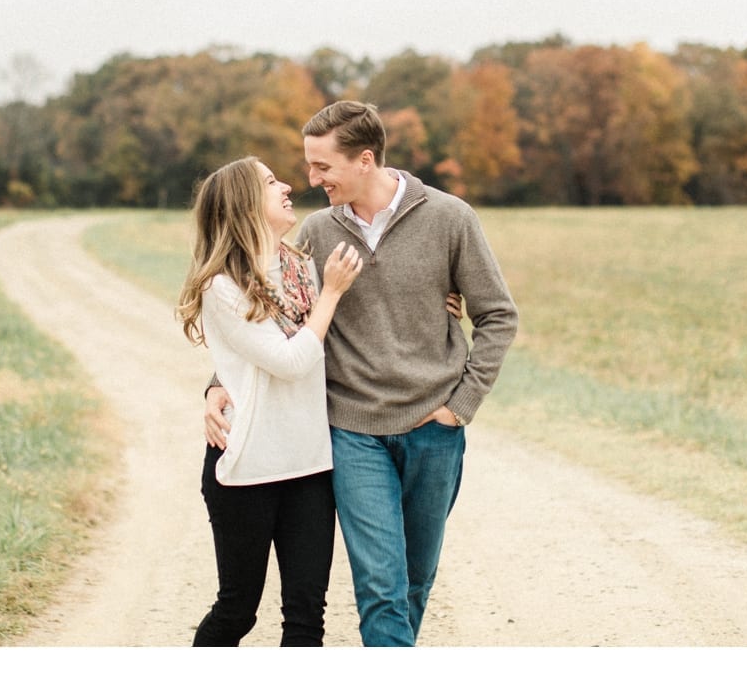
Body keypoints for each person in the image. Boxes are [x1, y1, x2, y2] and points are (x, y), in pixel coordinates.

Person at [205, 101, 519, 646]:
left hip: (434, 430)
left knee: (413, 581)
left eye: (321, 167)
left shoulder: (450, 218)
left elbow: (498, 315)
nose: (310, 178)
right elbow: (272, 315)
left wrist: (460, 405)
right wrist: (215, 383)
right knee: (379, 583)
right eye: (307, 166)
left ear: (364, 161)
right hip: (352, 433)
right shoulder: (317, 231)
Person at [177, 155, 364, 646]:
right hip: (247, 470)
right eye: (270, 181)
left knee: (307, 619)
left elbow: (333, 335)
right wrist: (332, 295)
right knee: (237, 611)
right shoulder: (222, 286)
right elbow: (290, 360)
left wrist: (444, 305)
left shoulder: (302, 266)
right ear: (244, 204)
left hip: (309, 467)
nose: (287, 186)